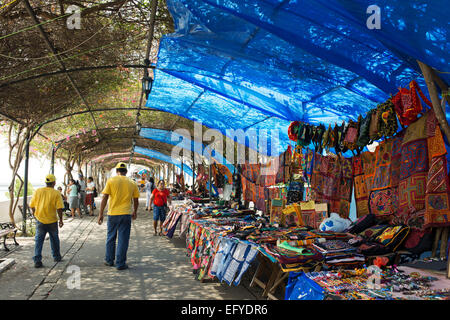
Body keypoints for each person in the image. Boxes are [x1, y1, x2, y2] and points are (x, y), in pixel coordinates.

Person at [98, 162, 139, 270]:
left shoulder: (111, 181)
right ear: (126, 171)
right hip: (126, 214)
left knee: (111, 237)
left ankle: (109, 260)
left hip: (112, 214)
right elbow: (136, 199)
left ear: (117, 171)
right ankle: (120, 263)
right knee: (123, 239)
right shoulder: (132, 182)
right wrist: (135, 211)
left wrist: (100, 214)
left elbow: (105, 198)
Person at [29, 174, 64, 268]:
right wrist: (61, 220)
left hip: (40, 220)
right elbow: (59, 208)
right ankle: (56, 256)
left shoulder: (38, 191)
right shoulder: (56, 193)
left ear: (46, 182)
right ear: (54, 183)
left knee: (39, 240)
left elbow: (31, 205)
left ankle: (37, 260)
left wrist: (34, 214)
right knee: (54, 239)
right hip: (52, 220)